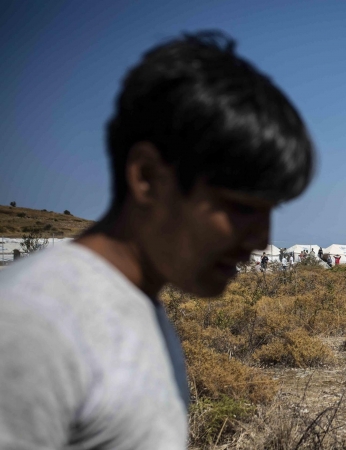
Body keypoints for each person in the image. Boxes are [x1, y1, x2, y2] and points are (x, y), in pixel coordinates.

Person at [0, 31, 314, 449]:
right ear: (147, 177)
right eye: (242, 208)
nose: (261, 239)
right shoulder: (32, 324)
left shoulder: (136, 303)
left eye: (270, 211)